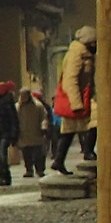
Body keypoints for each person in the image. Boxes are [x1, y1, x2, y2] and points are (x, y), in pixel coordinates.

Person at [53, 26, 96, 171]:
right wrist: (76, 103)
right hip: (77, 100)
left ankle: (59, 161)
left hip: (83, 97)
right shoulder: (77, 54)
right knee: (93, 123)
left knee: (69, 132)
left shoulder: (85, 53)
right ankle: (88, 152)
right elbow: (70, 80)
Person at [14, 85, 45, 178]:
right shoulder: (17, 107)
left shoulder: (38, 105)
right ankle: (29, 170)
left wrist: (44, 127)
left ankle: (39, 170)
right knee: (26, 154)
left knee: (38, 154)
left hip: (36, 133)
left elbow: (44, 117)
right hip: (24, 134)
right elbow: (14, 120)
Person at [0, 82, 16, 187]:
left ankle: (5, 176)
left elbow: (13, 119)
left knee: (2, 155)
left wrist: (14, 135)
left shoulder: (7, 102)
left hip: (5, 133)